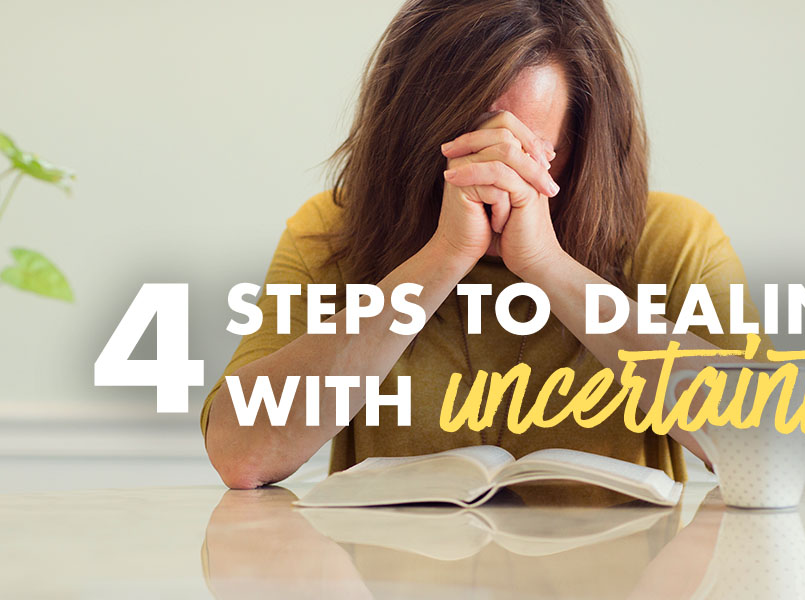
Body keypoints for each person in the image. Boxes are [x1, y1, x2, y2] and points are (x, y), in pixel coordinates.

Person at [201, 0, 769, 489]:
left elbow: (769, 446)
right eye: (469, 146)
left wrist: (548, 265)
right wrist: (442, 257)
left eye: (535, 154)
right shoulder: (331, 234)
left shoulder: (675, 239)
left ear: (583, 140)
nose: (499, 177)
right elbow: (240, 452)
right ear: (415, 135)